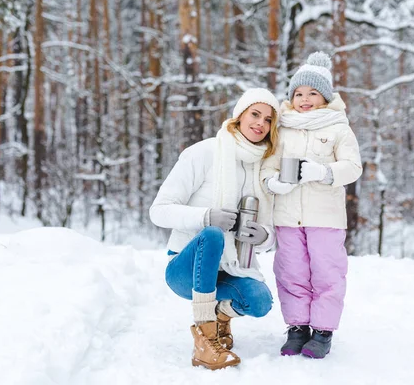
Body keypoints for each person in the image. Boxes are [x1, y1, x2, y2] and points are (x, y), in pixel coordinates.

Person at [150, 88, 280, 370]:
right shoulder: (205, 152)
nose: (261, 123)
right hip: (186, 269)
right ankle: (205, 337)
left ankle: (222, 316)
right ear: (240, 115)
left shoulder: (263, 166)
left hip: (230, 268)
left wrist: (265, 237)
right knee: (211, 234)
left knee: (259, 302)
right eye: (255, 114)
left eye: (268, 119)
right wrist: (206, 216)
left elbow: (268, 228)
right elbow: (158, 210)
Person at [261, 52, 362, 359]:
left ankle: (322, 331)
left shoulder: (338, 128)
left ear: (325, 97)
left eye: (312, 93)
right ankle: (297, 327)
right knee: (291, 272)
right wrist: (273, 182)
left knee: (327, 272)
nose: (304, 99)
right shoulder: (283, 128)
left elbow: (353, 166)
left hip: (325, 217)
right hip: (288, 216)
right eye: (298, 93)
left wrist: (326, 172)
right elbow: (267, 167)